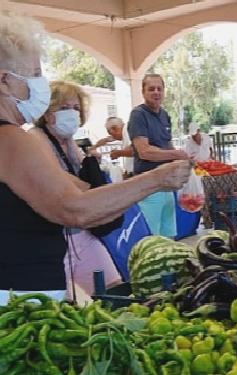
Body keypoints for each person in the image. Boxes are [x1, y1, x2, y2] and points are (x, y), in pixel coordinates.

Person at [0, 10, 191, 301]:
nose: (41, 84)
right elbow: (76, 209)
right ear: (4, 81)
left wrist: (136, 187)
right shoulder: (11, 139)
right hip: (22, 301)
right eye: (35, 74)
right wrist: (157, 179)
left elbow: (83, 193)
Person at [29, 81, 121, 300]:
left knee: (113, 289)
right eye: (62, 108)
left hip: (81, 236)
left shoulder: (70, 145)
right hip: (52, 241)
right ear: (46, 113)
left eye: (76, 108)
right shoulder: (35, 139)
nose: (71, 113)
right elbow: (66, 183)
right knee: (75, 305)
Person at [128, 73, 190, 237]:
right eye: (151, 89)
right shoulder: (138, 115)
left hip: (167, 184)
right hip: (148, 186)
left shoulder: (164, 115)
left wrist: (182, 161)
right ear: (143, 92)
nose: (156, 92)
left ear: (164, 91)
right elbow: (144, 151)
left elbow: (167, 144)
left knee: (169, 236)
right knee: (151, 239)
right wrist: (176, 153)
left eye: (159, 89)